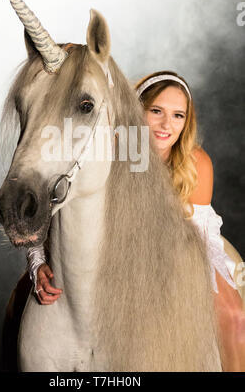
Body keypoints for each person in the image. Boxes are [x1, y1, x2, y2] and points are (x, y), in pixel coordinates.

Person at [27, 70, 245, 371]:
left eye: (178, 115)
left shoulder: (196, 162)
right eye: (156, 111)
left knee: (234, 314)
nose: (167, 125)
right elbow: (57, 205)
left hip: (182, 248)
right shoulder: (108, 149)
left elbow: (200, 235)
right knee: (25, 302)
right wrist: (37, 261)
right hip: (110, 245)